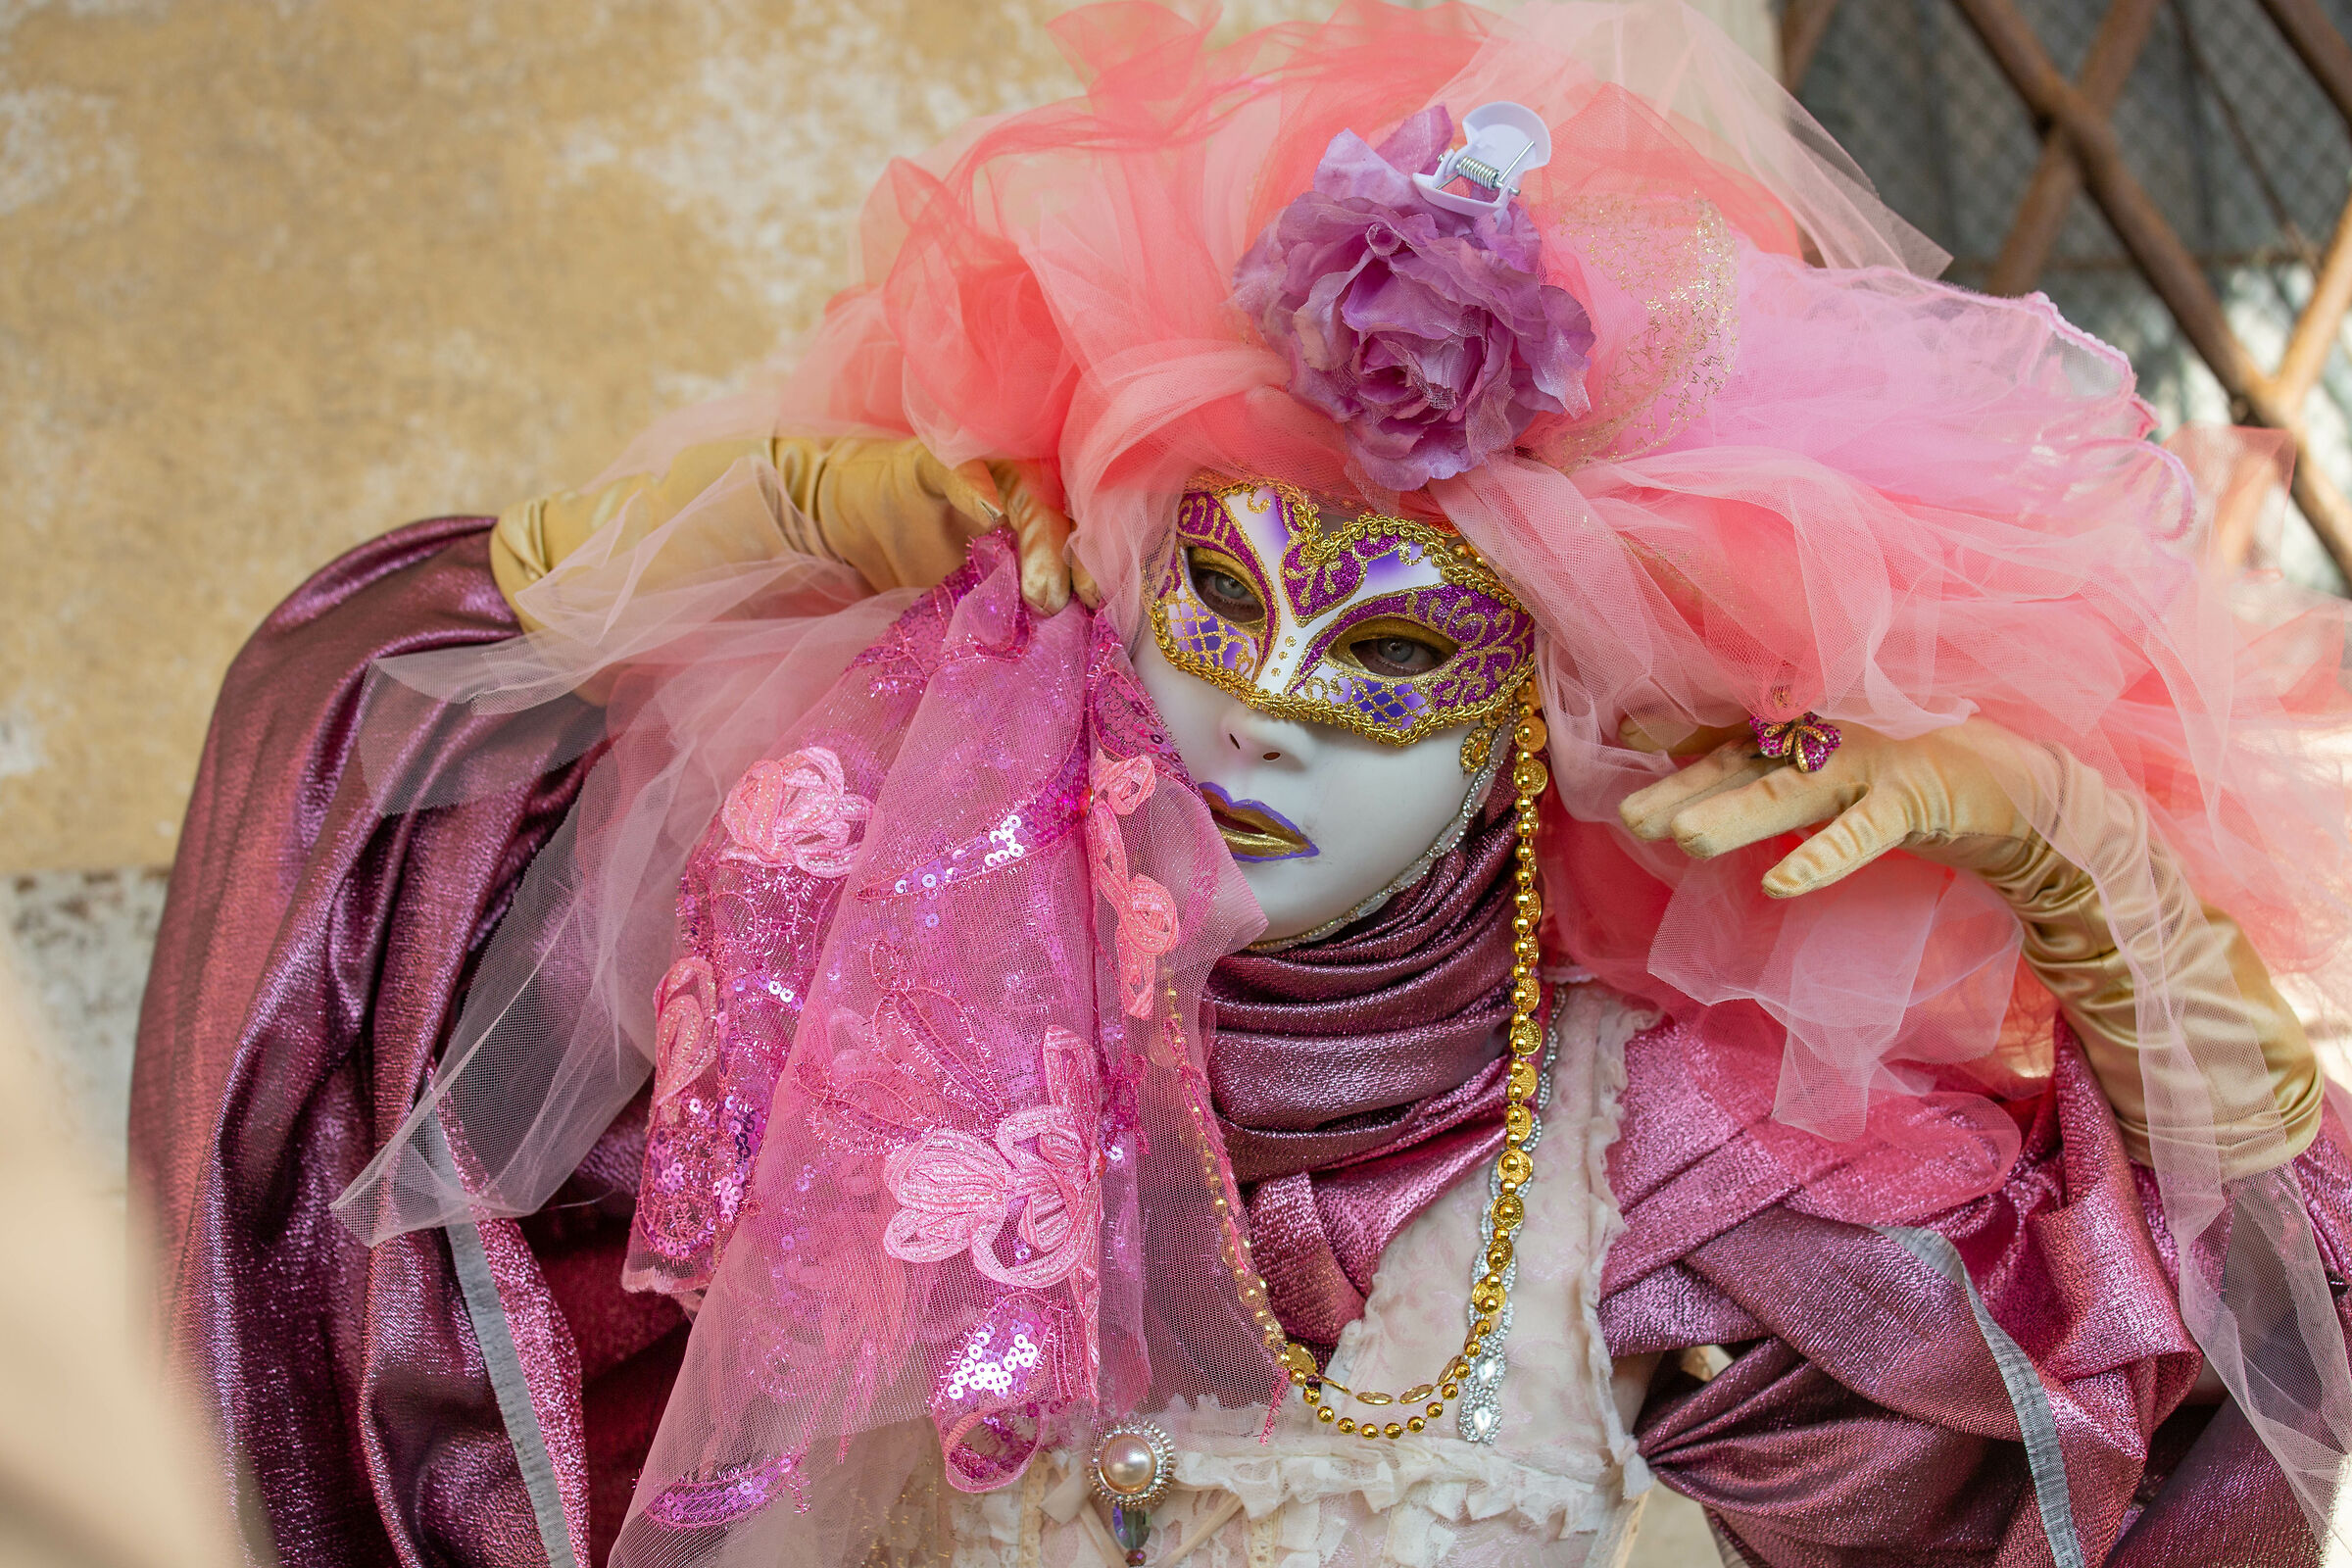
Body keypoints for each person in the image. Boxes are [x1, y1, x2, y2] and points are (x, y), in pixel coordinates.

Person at [136, 3, 2352, 1565]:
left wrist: (2095, 885)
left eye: (1393, 649)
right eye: (1216, 600)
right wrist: (766, 515)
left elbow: (2209, 1390)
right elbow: (364, 852)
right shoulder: (870, 1026)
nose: (1270, 714)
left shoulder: (1650, 1147)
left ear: (1542, 711)